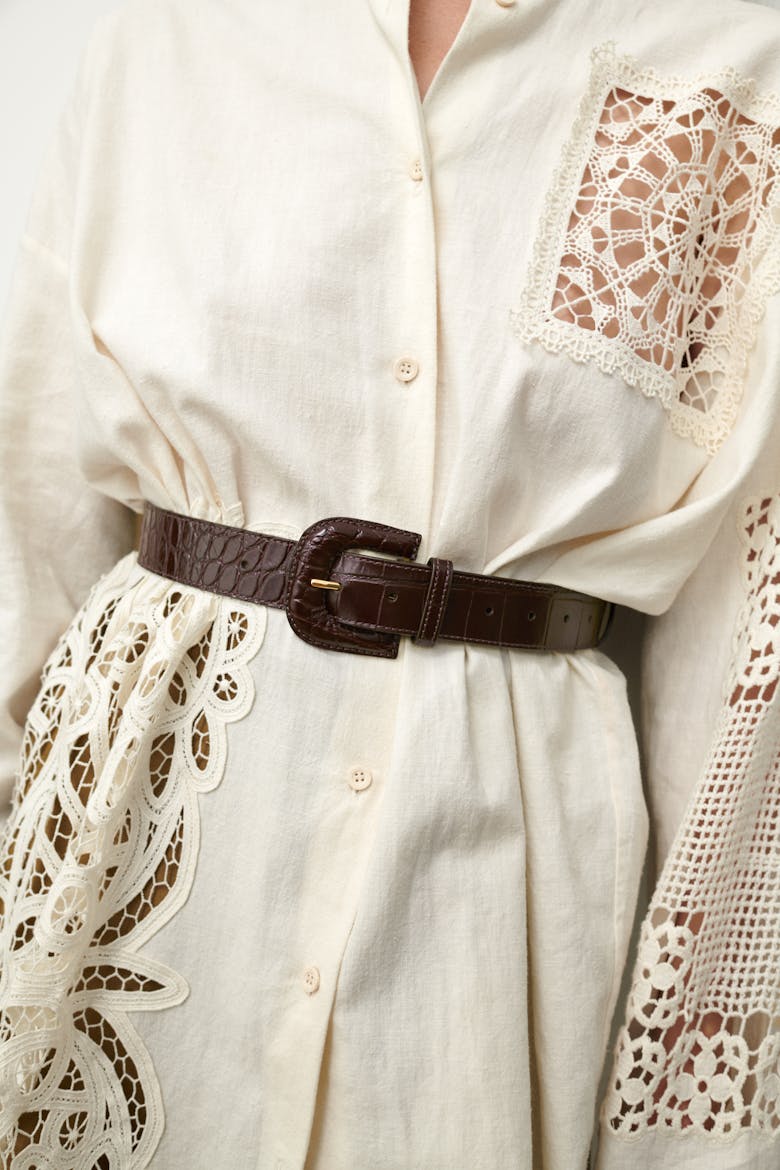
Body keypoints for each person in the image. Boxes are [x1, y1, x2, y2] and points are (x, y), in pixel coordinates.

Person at [0, 0, 778, 1167]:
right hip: (145, 833)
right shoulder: (169, 31)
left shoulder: (736, 53)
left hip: (498, 899)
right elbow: (32, 512)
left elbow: (741, 654)